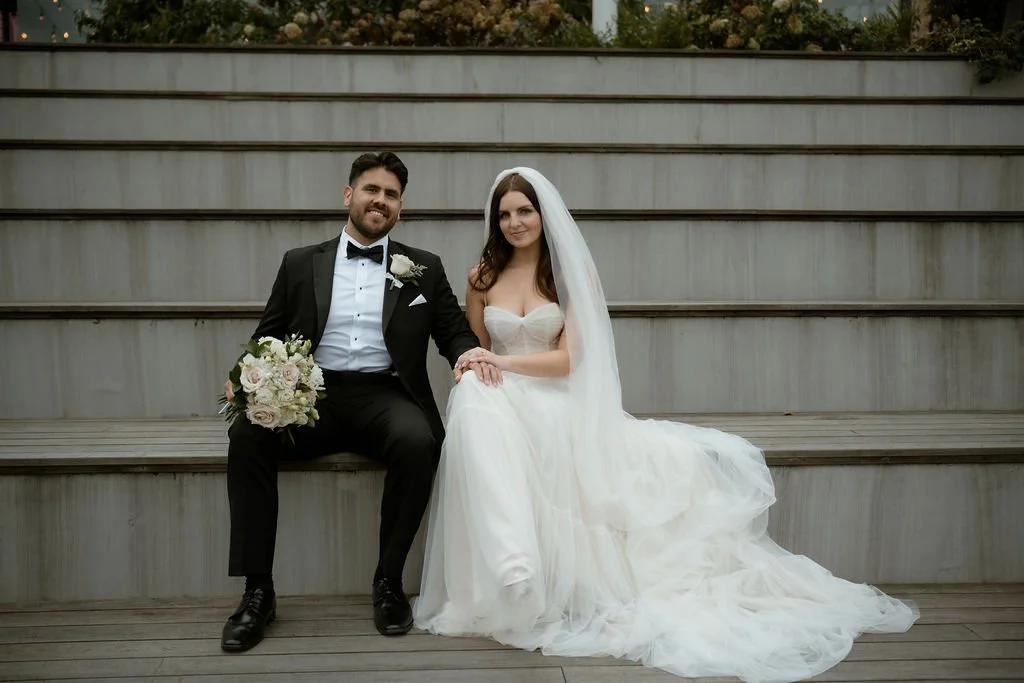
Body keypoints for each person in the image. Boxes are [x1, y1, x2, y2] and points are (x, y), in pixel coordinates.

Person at [412, 167, 919, 683]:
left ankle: (521, 566)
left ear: (544, 214)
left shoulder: (568, 276)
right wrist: (477, 367)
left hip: (557, 398)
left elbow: (570, 361)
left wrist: (502, 364)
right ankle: (510, 561)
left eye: (525, 210)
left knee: (488, 397)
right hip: (508, 397)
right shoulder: (482, 278)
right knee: (473, 395)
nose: (515, 222)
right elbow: (476, 351)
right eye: (505, 214)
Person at [220, 152, 496, 652]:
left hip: (384, 396)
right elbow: (268, 335)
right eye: (372, 190)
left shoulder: (424, 270)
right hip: (312, 394)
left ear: (400, 208)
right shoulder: (300, 262)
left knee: (419, 442)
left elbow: (453, 333)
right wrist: (244, 377)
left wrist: (471, 356)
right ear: (349, 195)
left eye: (391, 195)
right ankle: (257, 590)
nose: (380, 201)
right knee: (246, 433)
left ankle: (388, 581)